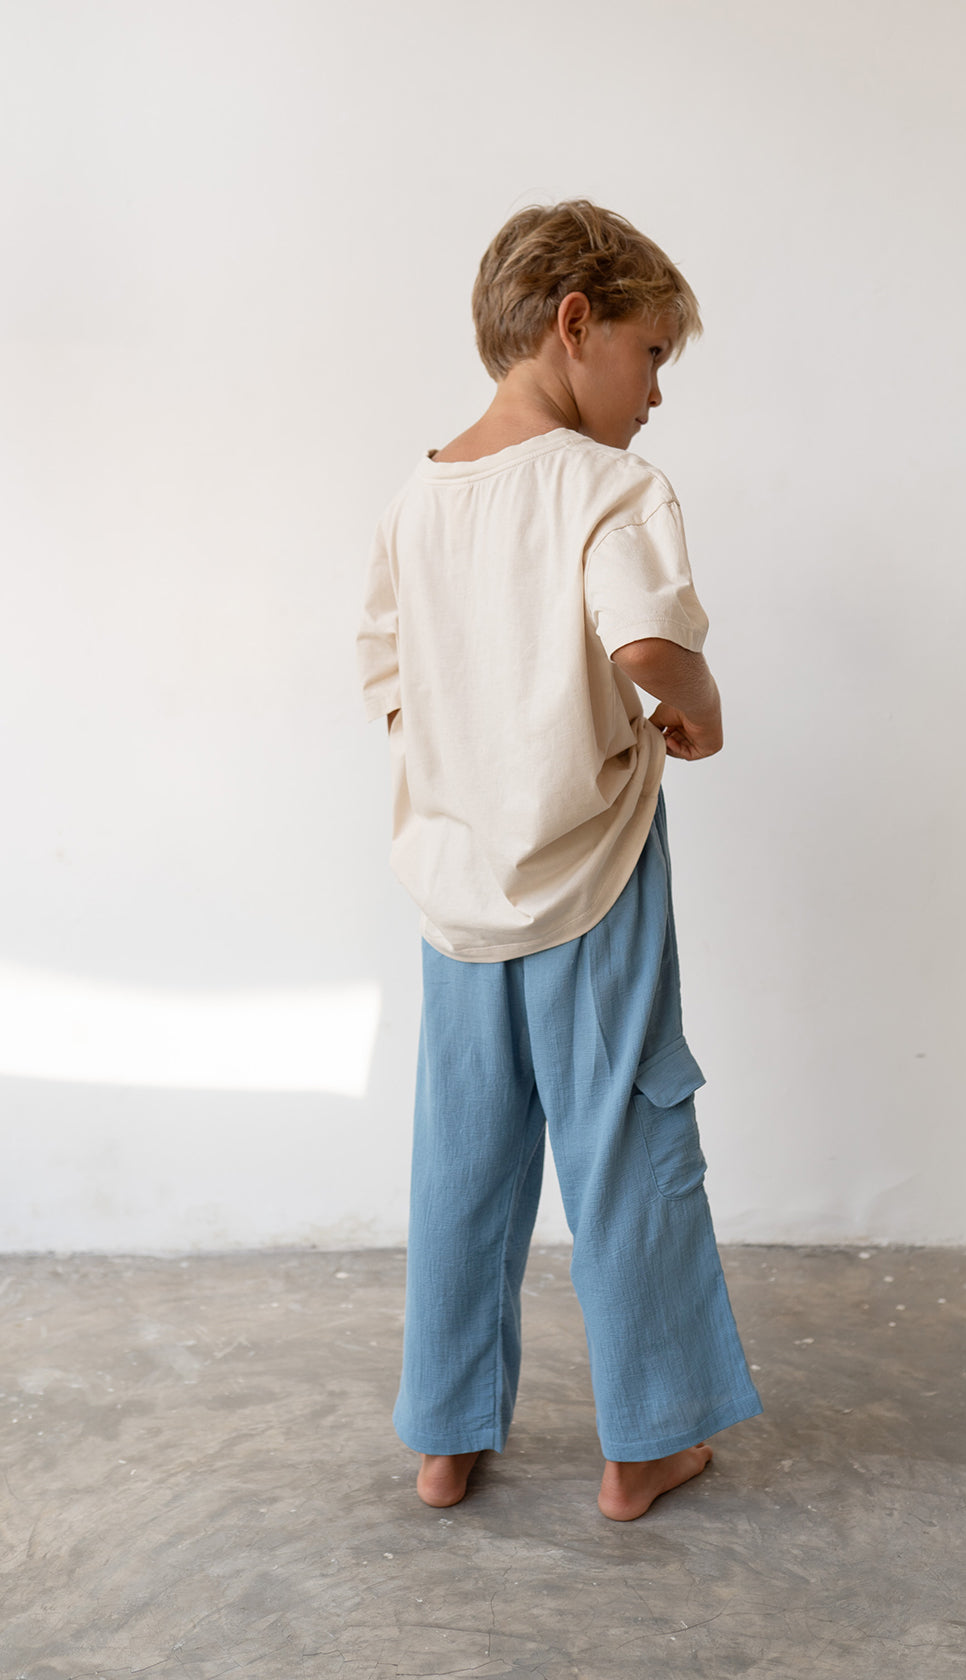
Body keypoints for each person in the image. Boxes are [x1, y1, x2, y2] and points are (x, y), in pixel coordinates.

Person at [355, 199, 761, 1521]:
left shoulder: (421, 494)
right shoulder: (609, 489)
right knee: (630, 1138)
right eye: (651, 356)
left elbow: (387, 670)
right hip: (591, 878)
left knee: (462, 1157)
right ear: (574, 324)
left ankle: (444, 1436)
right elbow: (645, 643)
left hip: (457, 887)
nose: (655, 396)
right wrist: (695, 705)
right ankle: (646, 1440)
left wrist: (464, 744)